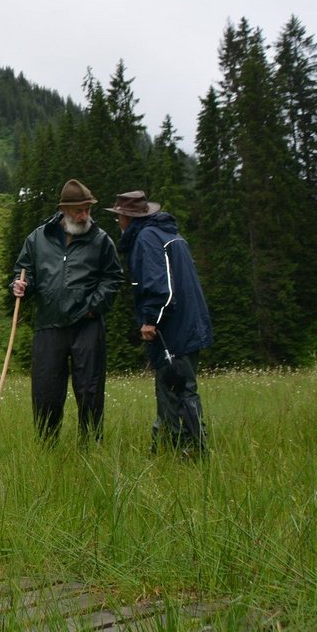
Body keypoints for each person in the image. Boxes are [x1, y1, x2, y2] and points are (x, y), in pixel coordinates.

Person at [10, 179, 123, 444]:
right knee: (46, 389)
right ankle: (46, 445)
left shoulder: (100, 240)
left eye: (87, 209)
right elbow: (24, 272)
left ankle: (91, 445)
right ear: (63, 210)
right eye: (78, 210)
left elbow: (113, 278)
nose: (84, 215)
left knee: (90, 390)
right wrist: (20, 285)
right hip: (49, 324)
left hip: (87, 324)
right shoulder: (38, 238)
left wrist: (93, 307)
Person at [106, 190, 212, 457]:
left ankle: (186, 448)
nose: (118, 222)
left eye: (119, 217)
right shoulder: (168, 235)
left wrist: (150, 320)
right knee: (177, 386)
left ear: (127, 218)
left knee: (176, 387)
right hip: (188, 325)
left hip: (174, 329)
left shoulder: (147, 238)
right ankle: (173, 447)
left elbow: (159, 286)